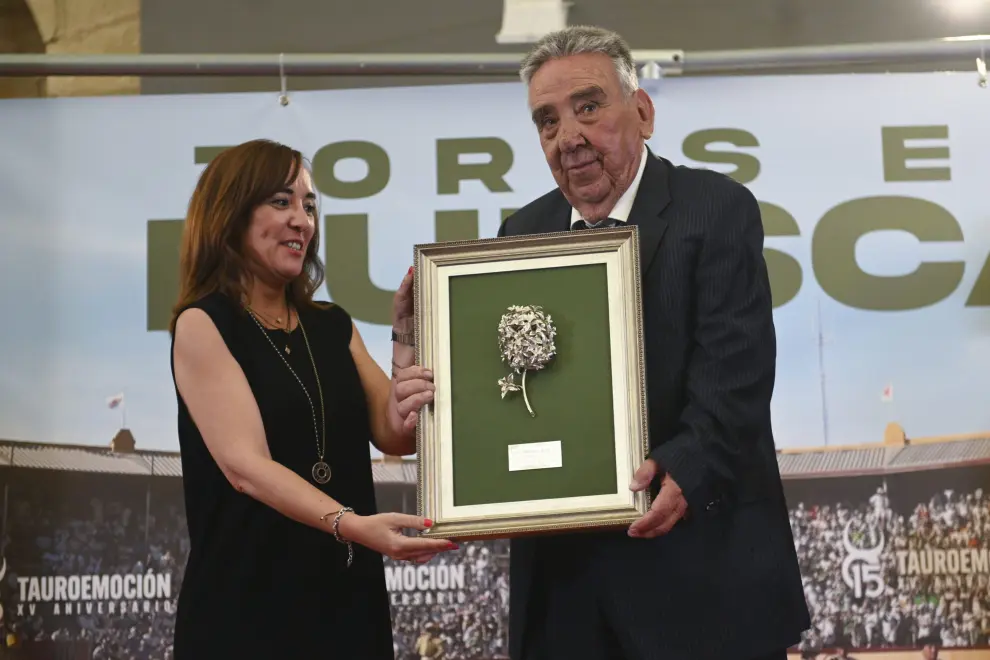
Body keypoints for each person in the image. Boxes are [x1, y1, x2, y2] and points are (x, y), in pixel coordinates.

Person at [497, 26, 811, 660]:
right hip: (564, 598)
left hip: (700, 576)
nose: (569, 135)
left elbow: (737, 372)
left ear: (641, 111)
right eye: (548, 120)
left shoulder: (715, 208)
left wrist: (684, 468)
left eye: (589, 106)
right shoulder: (520, 232)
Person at [168, 139, 455, 659]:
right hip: (246, 615)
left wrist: (405, 338)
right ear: (230, 214)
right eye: (281, 201)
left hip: (347, 603)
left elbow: (394, 431)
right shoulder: (203, 324)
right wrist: (353, 525)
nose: (302, 220)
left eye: (309, 204)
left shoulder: (331, 324)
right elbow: (245, 467)